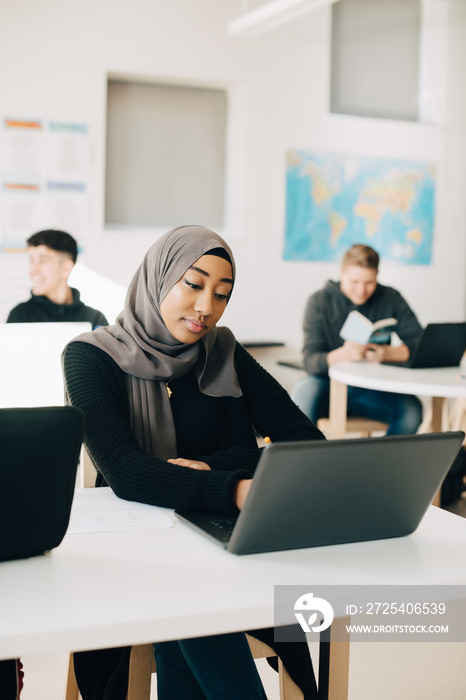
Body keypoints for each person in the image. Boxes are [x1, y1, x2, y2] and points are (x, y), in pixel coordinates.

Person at [62, 225, 324, 700]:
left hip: (223, 542)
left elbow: (306, 442)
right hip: (131, 549)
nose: (207, 307)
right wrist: (235, 486)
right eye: (194, 284)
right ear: (159, 278)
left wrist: (212, 466)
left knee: (199, 598)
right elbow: (124, 471)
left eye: (223, 294)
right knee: (195, 600)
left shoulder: (224, 351)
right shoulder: (89, 356)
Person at [292, 244, 423, 435]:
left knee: (412, 411)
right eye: (355, 282)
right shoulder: (319, 301)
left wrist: (387, 353)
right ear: (342, 273)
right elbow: (311, 362)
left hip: (372, 387)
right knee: (301, 396)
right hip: (326, 384)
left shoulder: (391, 297)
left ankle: (383, 464)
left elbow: (421, 344)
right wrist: (343, 354)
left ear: (377, 275)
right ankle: (302, 463)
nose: (361, 290)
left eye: (369, 282)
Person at [7, 229, 108, 328]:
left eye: (42, 261)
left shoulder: (95, 319)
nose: (33, 270)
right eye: (32, 261)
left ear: (65, 268)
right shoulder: (20, 316)